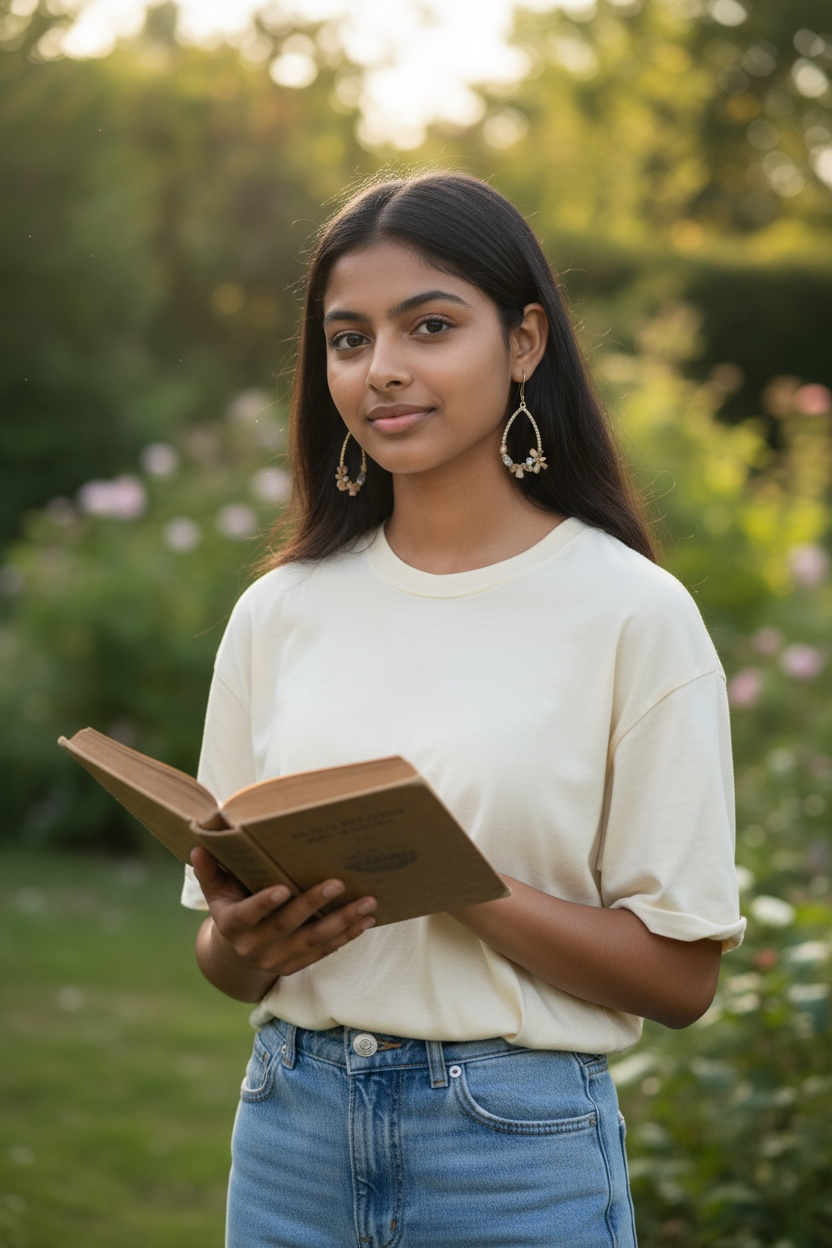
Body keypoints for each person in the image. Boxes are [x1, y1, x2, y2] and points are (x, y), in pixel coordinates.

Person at [182, 171, 745, 1247]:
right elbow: (220, 964)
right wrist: (250, 938)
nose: (382, 369)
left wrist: (453, 881)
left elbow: (681, 978)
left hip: (513, 1154)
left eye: (428, 327)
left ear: (523, 341)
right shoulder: (278, 612)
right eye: (349, 340)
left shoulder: (631, 612)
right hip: (288, 1137)